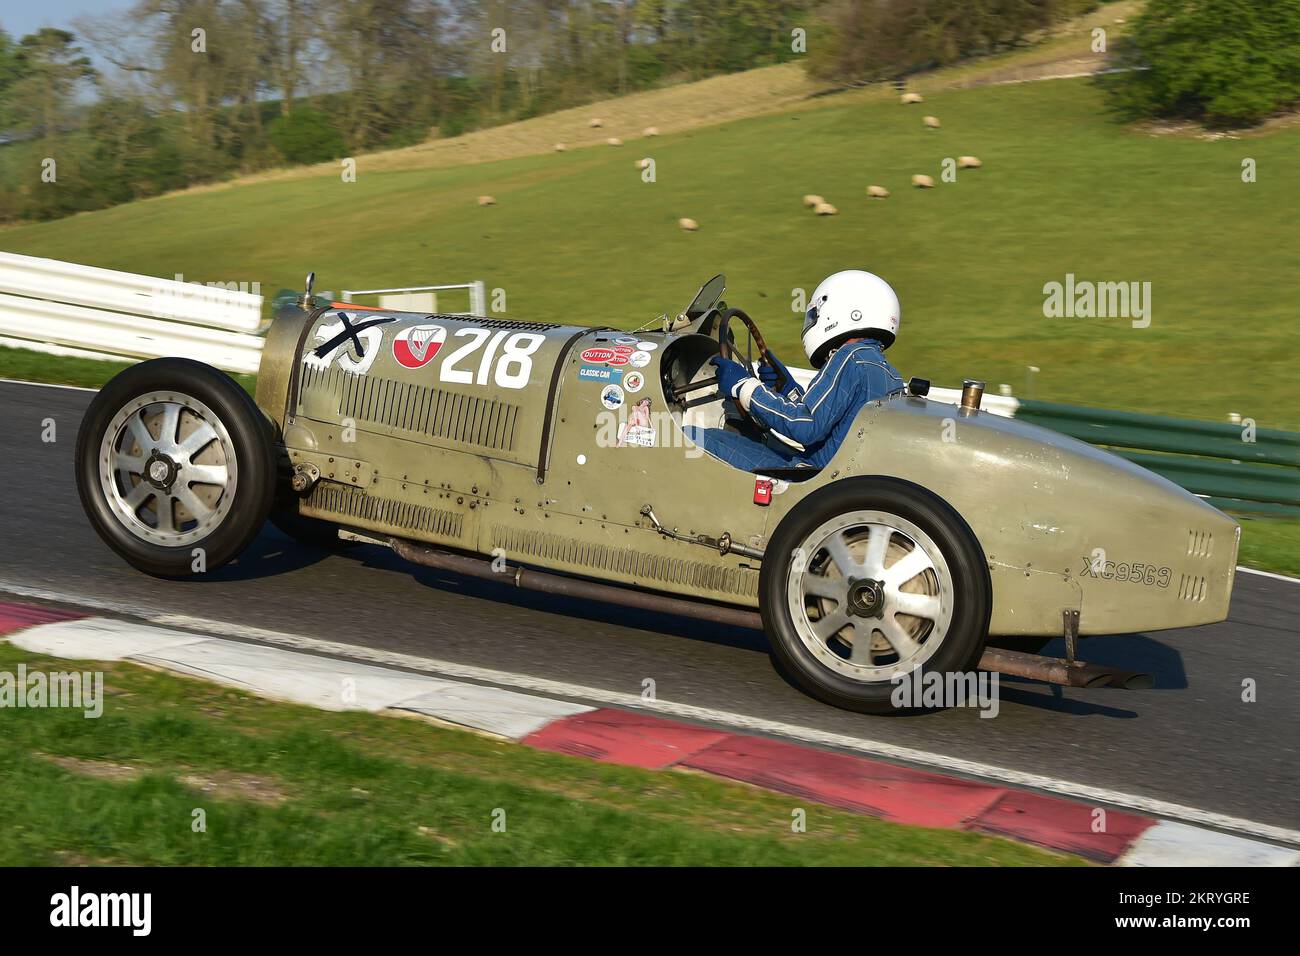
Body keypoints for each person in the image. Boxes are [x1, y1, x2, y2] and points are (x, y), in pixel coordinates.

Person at [684, 270, 905, 472]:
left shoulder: (850, 357)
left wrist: (745, 386)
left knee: (689, 437)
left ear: (849, 313)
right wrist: (788, 389)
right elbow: (827, 423)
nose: (812, 321)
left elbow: (806, 428)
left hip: (808, 474)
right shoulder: (888, 373)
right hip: (830, 470)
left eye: (815, 315)